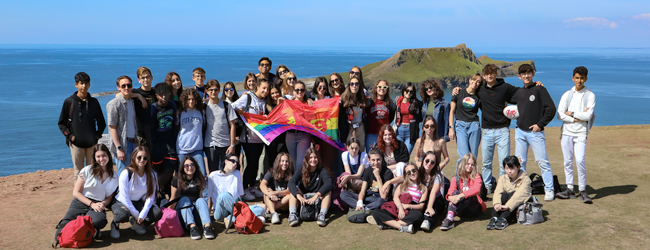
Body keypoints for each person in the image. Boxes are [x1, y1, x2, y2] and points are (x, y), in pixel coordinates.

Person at [510, 64, 557, 201]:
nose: (526, 76)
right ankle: (522, 188)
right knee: (520, 162)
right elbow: (503, 94)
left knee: (542, 162)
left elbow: (551, 109)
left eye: (528, 73)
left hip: (535, 133)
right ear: (519, 76)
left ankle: (549, 189)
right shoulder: (519, 92)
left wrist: (540, 124)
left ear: (533, 74)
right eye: (523, 74)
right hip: (520, 132)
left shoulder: (539, 89)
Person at [54, 144, 117, 243]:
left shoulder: (114, 177)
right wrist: (91, 204)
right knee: (59, 234)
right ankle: (84, 231)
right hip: (81, 201)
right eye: (98, 156)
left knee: (99, 221)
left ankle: (93, 229)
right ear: (94, 158)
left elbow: (109, 198)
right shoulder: (87, 170)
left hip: (98, 204)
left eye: (104, 155)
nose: (101, 159)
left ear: (109, 155)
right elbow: (76, 192)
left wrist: (102, 204)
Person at [555, 66, 595, 203]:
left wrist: (571, 113)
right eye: (577, 78)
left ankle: (582, 190)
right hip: (566, 132)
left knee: (580, 161)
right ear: (573, 78)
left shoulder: (590, 95)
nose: (579, 81)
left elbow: (589, 115)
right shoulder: (567, 94)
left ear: (586, 79)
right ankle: (570, 189)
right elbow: (560, 114)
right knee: (567, 161)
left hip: (581, 133)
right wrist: (576, 118)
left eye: (582, 78)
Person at [58, 72, 106, 181]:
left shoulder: (94, 102)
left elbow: (102, 122)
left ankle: (91, 195)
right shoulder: (69, 102)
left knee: (93, 170)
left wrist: (97, 136)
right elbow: (61, 123)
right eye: (81, 83)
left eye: (86, 83)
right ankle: (78, 197)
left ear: (89, 85)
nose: (84, 86)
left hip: (91, 144)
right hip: (76, 144)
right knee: (78, 172)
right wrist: (70, 136)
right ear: (76, 85)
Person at [110, 146, 162, 238]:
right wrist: (136, 214)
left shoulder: (152, 174)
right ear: (134, 157)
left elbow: (150, 197)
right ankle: (115, 224)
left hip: (138, 202)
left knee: (157, 212)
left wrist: (142, 216)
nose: (142, 160)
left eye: (145, 158)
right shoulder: (126, 173)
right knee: (122, 214)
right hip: (122, 201)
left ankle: (137, 223)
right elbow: (124, 197)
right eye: (139, 157)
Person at [232, 78, 270, 199]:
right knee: (250, 163)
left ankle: (252, 187)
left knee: (255, 165)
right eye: (263, 88)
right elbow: (232, 107)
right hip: (248, 138)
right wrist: (239, 111)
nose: (265, 90)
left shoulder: (264, 101)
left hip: (260, 138)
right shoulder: (247, 97)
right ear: (257, 87)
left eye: (267, 89)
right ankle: (244, 189)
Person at [207, 154, 266, 224]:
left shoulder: (237, 173)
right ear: (226, 161)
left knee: (263, 207)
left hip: (235, 208)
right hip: (221, 211)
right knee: (223, 195)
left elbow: (240, 196)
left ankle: (231, 219)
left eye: (237, 163)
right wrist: (207, 216)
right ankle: (247, 216)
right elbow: (210, 197)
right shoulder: (213, 175)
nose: (235, 164)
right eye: (233, 161)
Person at [369, 162, 427, 233]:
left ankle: (388, 225)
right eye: (408, 172)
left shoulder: (424, 188)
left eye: (414, 170)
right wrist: (400, 208)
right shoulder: (402, 185)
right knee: (376, 212)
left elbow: (421, 206)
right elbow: (395, 197)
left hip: (410, 209)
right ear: (406, 175)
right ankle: (401, 227)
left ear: (417, 171)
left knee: (419, 215)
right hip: (397, 207)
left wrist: (407, 206)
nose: (412, 173)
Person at [168, 156, 214, 239]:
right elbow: (173, 199)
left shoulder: (199, 178)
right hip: (182, 213)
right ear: (183, 167)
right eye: (187, 165)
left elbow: (201, 198)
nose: (190, 167)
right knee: (184, 199)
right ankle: (192, 228)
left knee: (201, 200)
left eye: (192, 165)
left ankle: (207, 227)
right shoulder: (176, 180)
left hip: (195, 212)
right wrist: (167, 214)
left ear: (196, 166)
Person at [440, 153, 486, 231]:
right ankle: (449, 219)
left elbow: (476, 189)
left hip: (474, 208)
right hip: (462, 209)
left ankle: (449, 217)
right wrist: (451, 198)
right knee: (454, 194)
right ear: (463, 164)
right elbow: (450, 192)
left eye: (472, 164)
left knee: (462, 194)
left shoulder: (477, 176)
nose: (470, 166)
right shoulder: (455, 178)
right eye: (468, 164)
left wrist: (461, 195)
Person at [288, 148, 332, 227]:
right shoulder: (300, 170)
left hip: (317, 198)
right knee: (293, 190)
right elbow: (291, 183)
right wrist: (299, 196)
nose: (313, 160)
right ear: (307, 159)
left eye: (315, 157)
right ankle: (292, 215)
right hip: (304, 198)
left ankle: (322, 215)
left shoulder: (322, 170)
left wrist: (316, 195)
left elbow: (328, 183)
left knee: (328, 192)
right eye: (311, 157)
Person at [486, 156, 532, 230]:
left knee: (513, 193)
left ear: (518, 167)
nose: (509, 171)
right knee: (503, 195)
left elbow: (520, 195)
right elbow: (497, 191)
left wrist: (508, 206)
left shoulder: (525, 179)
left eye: (512, 168)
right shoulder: (502, 178)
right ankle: (494, 218)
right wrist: (497, 204)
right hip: (504, 206)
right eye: (507, 168)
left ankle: (504, 219)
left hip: (516, 206)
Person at [149, 82, 179, 195]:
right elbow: (151, 128)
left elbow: (176, 123)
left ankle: (155, 188)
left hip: (171, 142)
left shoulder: (172, 104)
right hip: (157, 144)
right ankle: (159, 193)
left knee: (170, 169)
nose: (164, 97)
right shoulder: (153, 108)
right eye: (161, 95)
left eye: (166, 94)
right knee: (158, 170)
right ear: (156, 95)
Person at [204, 79, 237, 174]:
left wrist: (232, 145)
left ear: (219, 91)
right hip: (210, 145)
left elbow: (232, 125)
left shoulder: (226, 105)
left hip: (226, 145)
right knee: (213, 173)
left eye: (215, 89)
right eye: (210, 90)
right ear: (207, 91)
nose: (213, 92)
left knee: (227, 171)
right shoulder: (204, 106)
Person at [107, 75, 139, 175]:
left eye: (128, 85)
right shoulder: (114, 104)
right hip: (123, 145)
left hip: (133, 142)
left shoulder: (131, 102)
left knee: (133, 174)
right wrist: (118, 148)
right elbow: (112, 127)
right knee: (123, 175)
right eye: (123, 85)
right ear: (118, 87)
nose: (126, 88)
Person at [449, 73, 482, 169]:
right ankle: (458, 180)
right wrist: (451, 128)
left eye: (478, 81)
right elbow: (452, 111)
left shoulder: (479, 97)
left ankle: (473, 181)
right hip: (460, 125)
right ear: (469, 80)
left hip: (474, 125)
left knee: (473, 157)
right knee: (464, 157)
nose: (475, 83)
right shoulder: (458, 93)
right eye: (474, 80)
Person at [177, 89, 207, 176]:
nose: (191, 101)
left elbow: (204, 126)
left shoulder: (201, 111)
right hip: (182, 149)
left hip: (197, 148)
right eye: (188, 99)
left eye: (193, 99)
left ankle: (203, 190)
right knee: (183, 176)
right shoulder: (180, 112)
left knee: (202, 175)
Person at [261, 152, 295, 224]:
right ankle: (273, 214)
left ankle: (269, 209)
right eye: (282, 161)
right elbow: (262, 184)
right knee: (268, 192)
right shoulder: (270, 173)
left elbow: (289, 190)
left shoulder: (290, 174)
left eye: (287, 161)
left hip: (283, 203)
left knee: (290, 196)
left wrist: (276, 192)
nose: (284, 163)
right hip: (272, 200)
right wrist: (270, 193)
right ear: (278, 162)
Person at [285, 81, 314, 166]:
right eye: (297, 90)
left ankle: (301, 179)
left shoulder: (309, 104)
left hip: (304, 136)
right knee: (293, 164)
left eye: (302, 90)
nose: (299, 92)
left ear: (305, 91)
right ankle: (298, 179)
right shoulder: (288, 103)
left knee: (301, 163)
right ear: (293, 91)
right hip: (290, 135)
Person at [365, 80, 396, 153]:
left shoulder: (390, 103)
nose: (382, 88)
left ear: (387, 89)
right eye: (380, 86)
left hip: (385, 135)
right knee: (371, 156)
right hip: (371, 134)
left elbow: (391, 117)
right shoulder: (369, 101)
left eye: (384, 87)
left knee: (384, 156)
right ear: (376, 88)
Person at [132, 67, 157, 153]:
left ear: (152, 78)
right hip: (141, 132)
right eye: (143, 78)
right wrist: (139, 96)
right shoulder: (135, 92)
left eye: (147, 77)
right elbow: (119, 95)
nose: (146, 79)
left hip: (155, 131)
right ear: (139, 80)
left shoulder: (156, 92)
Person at [419, 151, 445, 231]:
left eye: (432, 162)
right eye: (427, 160)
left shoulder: (437, 175)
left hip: (436, 200)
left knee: (432, 206)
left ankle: (428, 221)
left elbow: (433, 192)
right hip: (423, 199)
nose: (429, 163)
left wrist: (429, 207)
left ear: (435, 164)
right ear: (423, 160)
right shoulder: (418, 172)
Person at [339, 77, 367, 150]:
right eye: (352, 84)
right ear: (349, 86)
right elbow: (342, 120)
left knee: (360, 150)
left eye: (356, 84)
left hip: (360, 127)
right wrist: (343, 138)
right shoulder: (344, 100)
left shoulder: (363, 98)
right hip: (349, 128)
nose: (354, 86)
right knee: (350, 151)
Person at [394, 82, 422, 153]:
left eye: (411, 91)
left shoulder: (417, 103)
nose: (408, 93)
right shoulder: (398, 103)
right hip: (399, 131)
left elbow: (421, 116)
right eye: (407, 91)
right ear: (403, 91)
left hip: (411, 131)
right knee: (398, 155)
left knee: (406, 154)